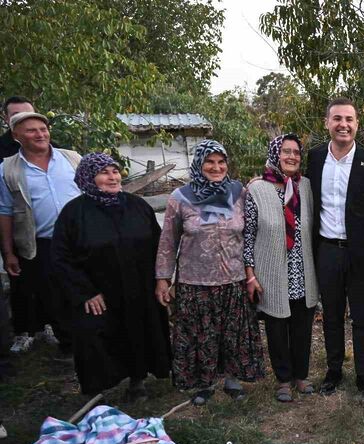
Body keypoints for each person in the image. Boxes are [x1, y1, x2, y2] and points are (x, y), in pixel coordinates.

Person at [51, 153, 171, 399]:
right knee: (95, 339)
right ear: (88, 177)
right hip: (97, 293)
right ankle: (97, 392)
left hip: (139, 287)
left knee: (138, 332)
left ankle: (137, 381)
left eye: (115, 171)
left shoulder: (137, 206)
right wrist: (85, 292)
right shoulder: (74, 214)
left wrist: (162, 279)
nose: (113, 177)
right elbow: (61, 257)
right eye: (104, 172)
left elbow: (159, 246)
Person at [156, 140, 265, 405]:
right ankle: (203, 383)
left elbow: (250, 234)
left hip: (234, 279)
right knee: (200, 334)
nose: (216, 167)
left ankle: (232, 379)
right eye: (210, 162)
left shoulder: (239, 192)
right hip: (195, 280)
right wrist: (162, 279)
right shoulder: (180, 198)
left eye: (221, 162)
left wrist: (251, 275)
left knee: (232, 333)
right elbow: (168, 241)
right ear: (199, 164)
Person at [306, 97, 364, 397]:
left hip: (361, 255)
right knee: (331, 315)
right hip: (327, 251)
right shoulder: (315, 159)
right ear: (327, 123)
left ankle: (362, 375)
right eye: (337, 119)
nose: (343, 124)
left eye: (349, 119)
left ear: (357, 124)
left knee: (360, 316)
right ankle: (333, 371)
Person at [244, 134, 319, 402]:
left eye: (296, 152)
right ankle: (283, 380)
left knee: (302, 325)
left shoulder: (307, 186)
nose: (292, 157)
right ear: (276, 154)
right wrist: (250, 274)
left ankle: (301, 375)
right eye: (286, 151)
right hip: (272, 271)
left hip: (303, 270)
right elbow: (248, 234)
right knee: (276, 328)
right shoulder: (257, 189)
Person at [0, 112, 80, 360]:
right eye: (31, 130)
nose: (40, 134)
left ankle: (97, 338)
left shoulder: (71, 158)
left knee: (89, 287)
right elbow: (5, 211)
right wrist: (9, 252)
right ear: (16, 136)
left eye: (43, 129)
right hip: (42, 243)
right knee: (53, 294)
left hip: (81, 239)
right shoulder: (7, 168)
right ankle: (68, 345)